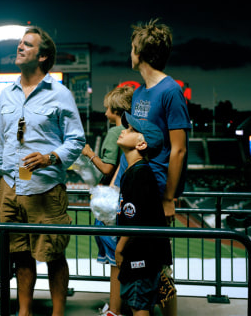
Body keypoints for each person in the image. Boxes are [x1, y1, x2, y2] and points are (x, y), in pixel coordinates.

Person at [0, 26, 85, 316]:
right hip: (10, 186)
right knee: (19, 256)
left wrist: (50, 157)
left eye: (27, 45)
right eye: (20, 43)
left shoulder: (60, 93)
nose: (19, 47)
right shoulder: (6, 93)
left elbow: (77, 139)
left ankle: (57, 314)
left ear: (42, 56)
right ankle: (24, 312)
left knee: (53, 255)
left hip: (45, 188)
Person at [113, 19, 192, 316]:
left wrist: (169, 197)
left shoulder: (171, 91)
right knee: (142, 263)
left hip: (156, 188)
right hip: (137, 184)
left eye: (133, 48)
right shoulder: (142, 92)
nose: (129, 52)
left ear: (142, 53)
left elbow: (179, 149)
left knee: (157, 264)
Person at [81, 85, 133, 316]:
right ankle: (122, 305)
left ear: (117, 110)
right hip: (127, 200)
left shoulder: (116, 133)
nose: (104, 113)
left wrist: (89, 153)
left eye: (108, 109)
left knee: (116, 262)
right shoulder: (135, 131)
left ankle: (114, 310)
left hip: (113, 202)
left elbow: (107, 168)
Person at [115, 112, 173, 316]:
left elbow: (135, 220)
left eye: (131, 129)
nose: (124, 130)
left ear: (141, 145)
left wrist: (120, 249)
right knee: (136, 300)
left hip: (142, 253)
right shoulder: (136, 171)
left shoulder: (139, 174)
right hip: (143, 251)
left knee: (138, 304)